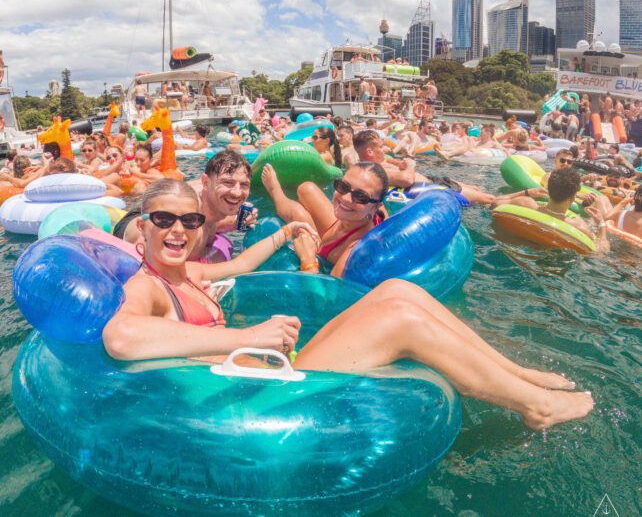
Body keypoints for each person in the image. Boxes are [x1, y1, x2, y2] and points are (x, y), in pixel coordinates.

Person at [102, 178, 594, 431]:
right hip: (253, 397)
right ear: (141, 226)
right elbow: (121, 337)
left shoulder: (190, 273)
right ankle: (538, 406)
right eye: (164, 219)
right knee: (398, 319)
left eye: (190, 221)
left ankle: (517, 372)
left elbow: (242, 262)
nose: (178, 231)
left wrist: (289, 234)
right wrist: (246, 337)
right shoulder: (146, 286)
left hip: (273, 372)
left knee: (399, 292)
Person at [353, 130, 541, 206]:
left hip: (433, 181)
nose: (384, 148)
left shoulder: (381, 162)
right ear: (369, 151)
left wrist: (402, 163)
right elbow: (406, 179)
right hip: (430, 188)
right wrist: (410, 164)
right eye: (379, 146)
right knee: (487, 199)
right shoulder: (373, 170)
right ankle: (526, 193)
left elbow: (400, 164)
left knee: (475, 189)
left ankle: (517, 196)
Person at [262, 161, 387, 274]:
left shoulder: (356, 252)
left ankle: (274, 190)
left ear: (375, 207)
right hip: (348, 225)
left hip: (338, 248)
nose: (345, 198)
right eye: (343, 186)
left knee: (298, 215)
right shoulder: (368, 210)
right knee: (307, 188)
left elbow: (325, 297)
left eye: (360, 196)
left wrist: (308, 259)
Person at [506, 168, 610, 251]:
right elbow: (601, 252)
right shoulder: (579, 226)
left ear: (549, 190)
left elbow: (495, 202)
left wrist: (525, 192)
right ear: (574, 197)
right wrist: (602, 226)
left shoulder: (524, 202)